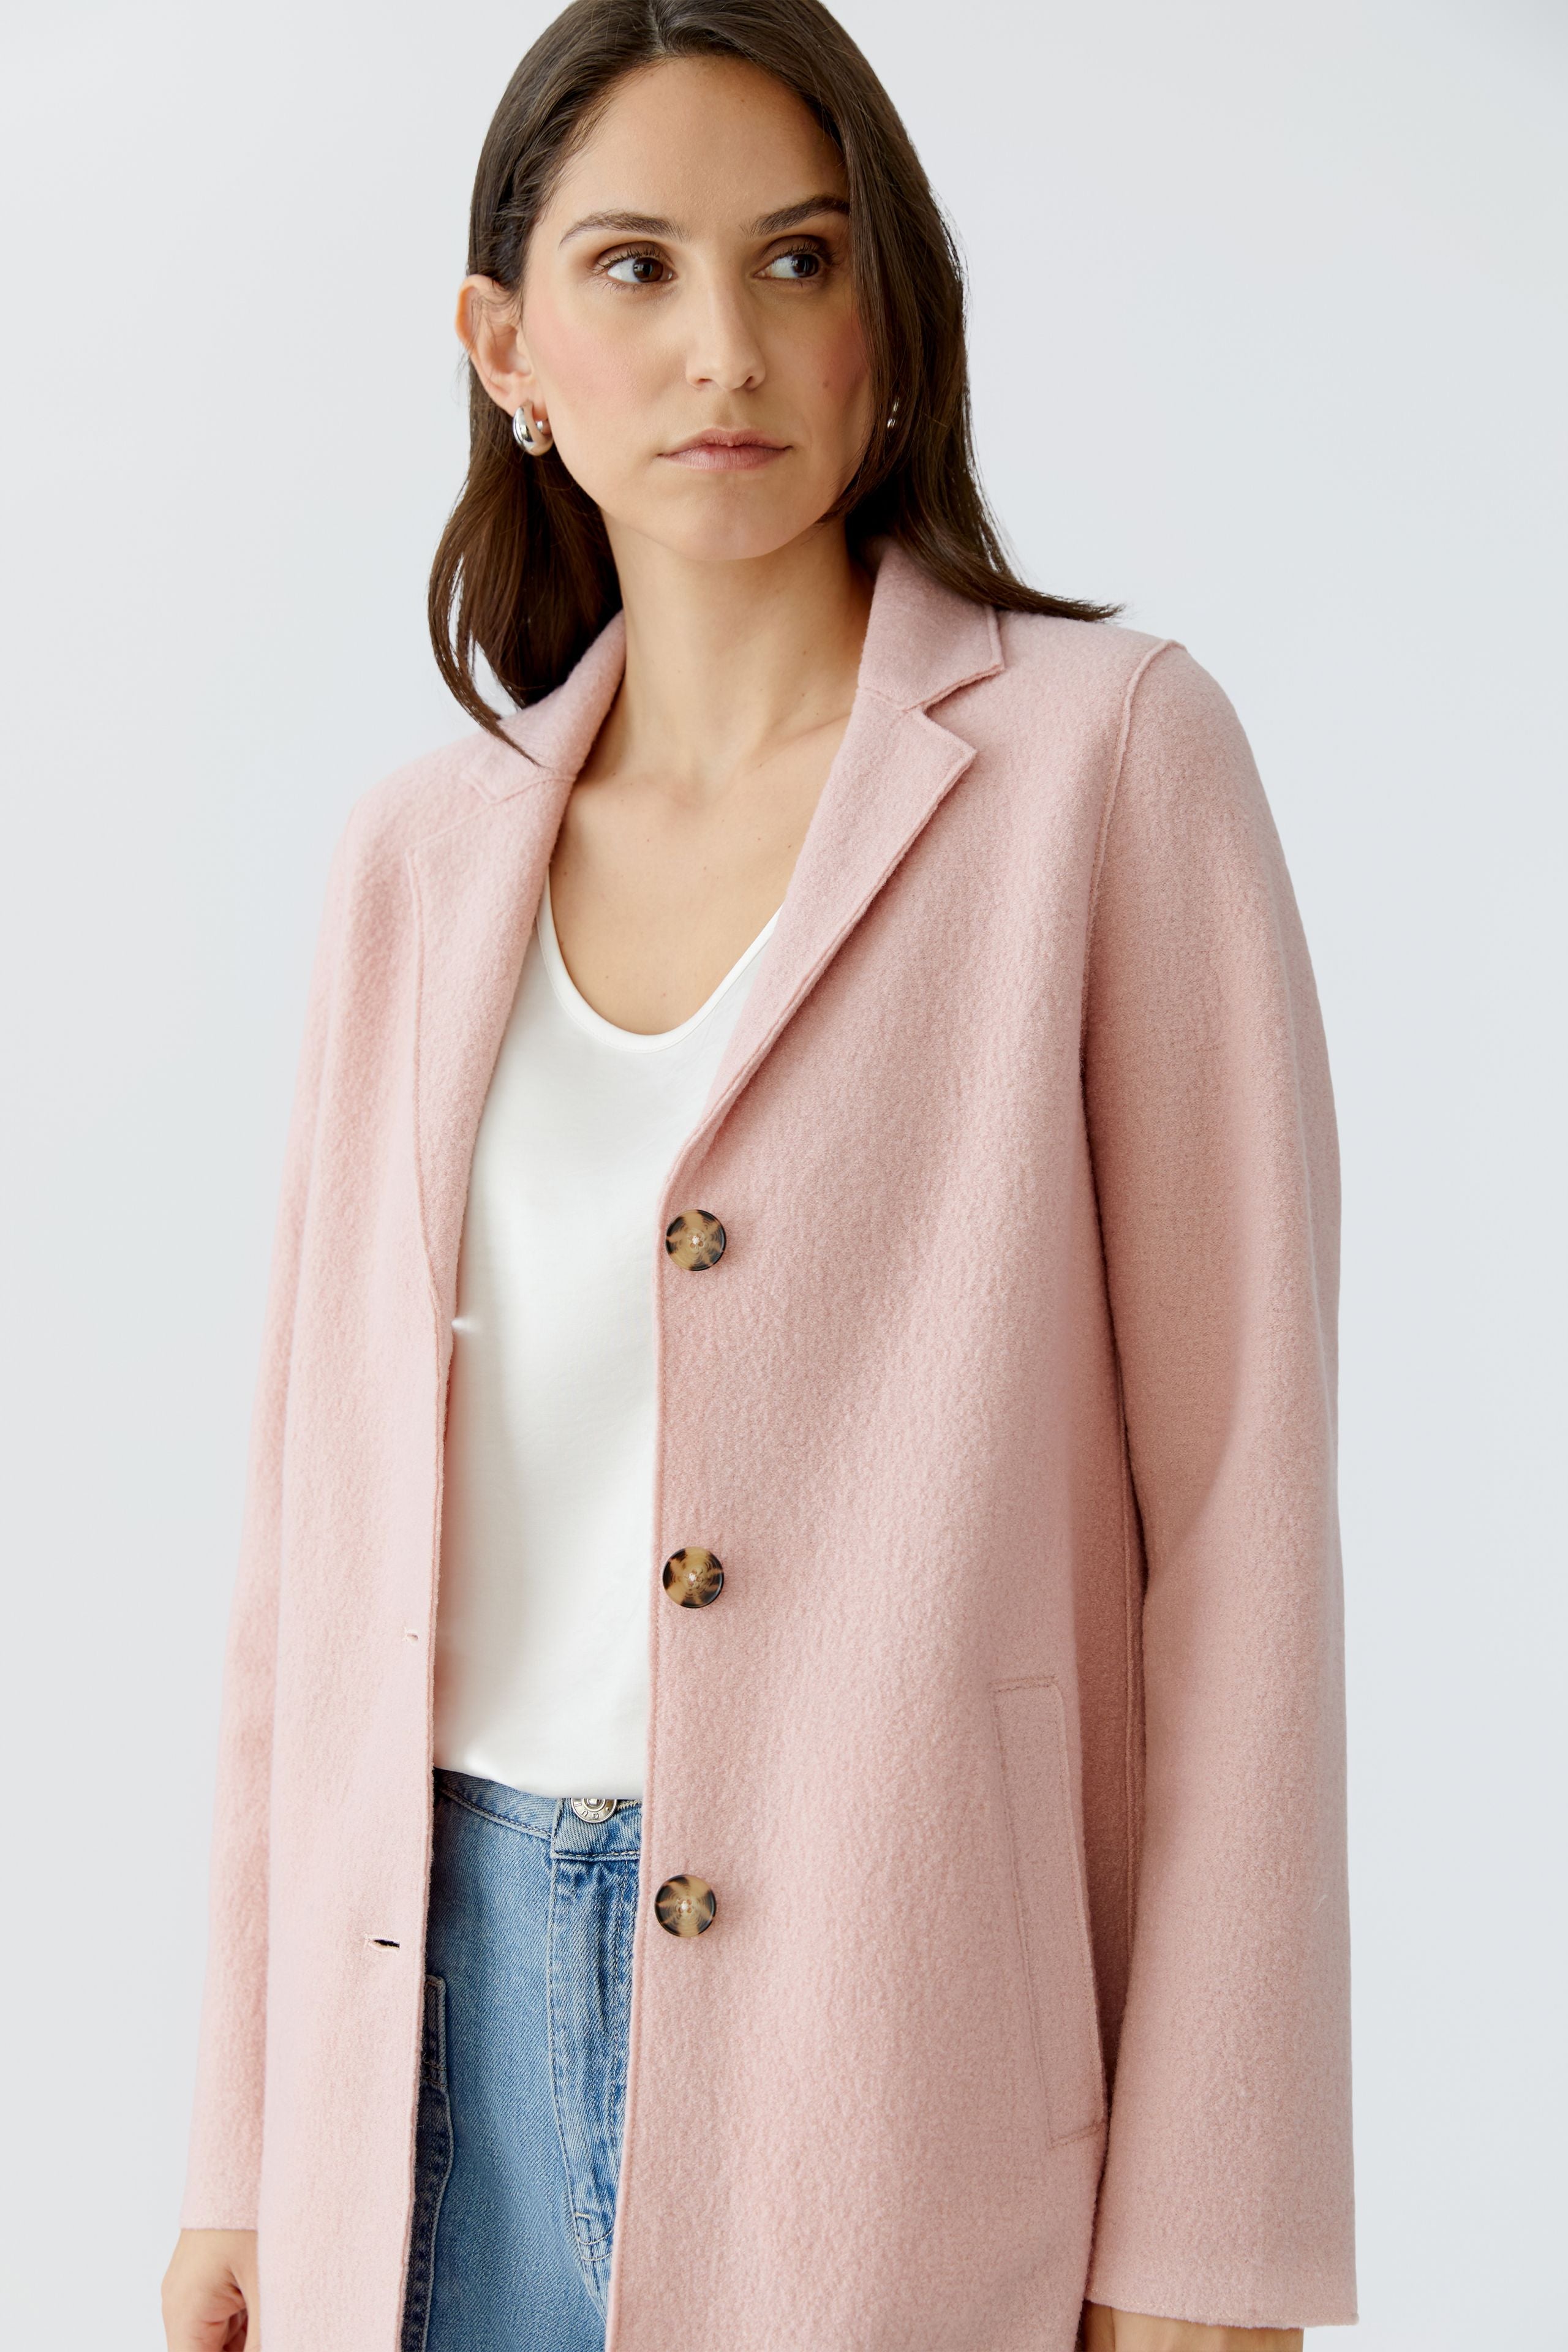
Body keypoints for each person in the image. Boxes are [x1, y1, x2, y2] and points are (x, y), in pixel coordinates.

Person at [161, 3, 1355, 2348]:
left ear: (889, 316)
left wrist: (1218, 2228)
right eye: (636, 267)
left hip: (899, 2068)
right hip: (416, 2058)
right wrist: (242, 2139)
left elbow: (1247, 1518)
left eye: (800, 261)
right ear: (506, 346)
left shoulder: (1108, 769)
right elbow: (306, 1550)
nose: (727, 345)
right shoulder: (416, 863)